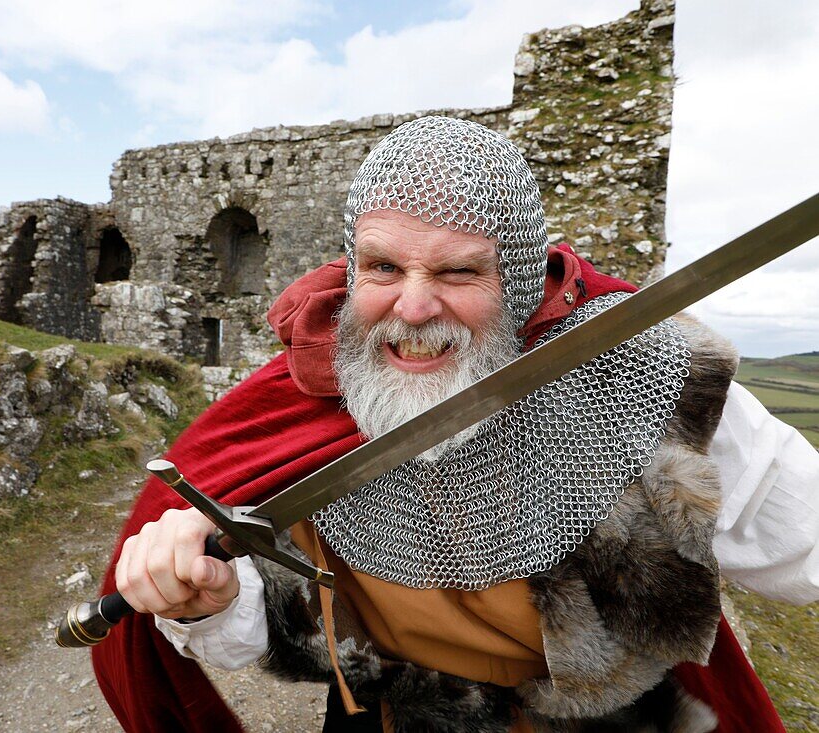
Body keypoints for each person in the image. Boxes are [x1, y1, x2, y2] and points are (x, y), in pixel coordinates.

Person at [92, 116, 817, 732]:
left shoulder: (635, 377)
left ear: (522, 278)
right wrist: (208, 600)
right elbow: (264, 619)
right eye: (381, 267)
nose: (412, 308)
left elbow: (805, 541)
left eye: (459, 273)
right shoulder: (303, 395)